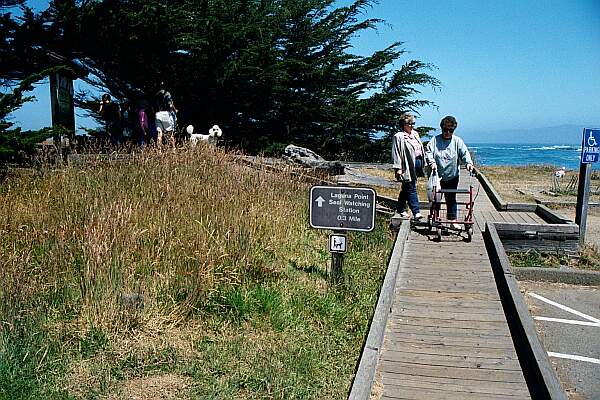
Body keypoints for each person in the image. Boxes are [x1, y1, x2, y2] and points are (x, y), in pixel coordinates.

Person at [425, 115, 474, 230]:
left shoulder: (457, 141)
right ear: (441, 129)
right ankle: (436, 218)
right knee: (436, 198)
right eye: (445, 130)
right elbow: (428, 152)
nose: (447, 132)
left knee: (451, 198)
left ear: (453, 130)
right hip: (436, 175)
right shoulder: (435, 140)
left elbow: (464, 153)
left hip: (452, 175)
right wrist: (431, 162)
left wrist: (468, 163)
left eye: (450, 130)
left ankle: (452, 220)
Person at [392, 113, 426, 221]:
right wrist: (398, 168)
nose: (411, 125)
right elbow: (396, 153)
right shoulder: (398, 136)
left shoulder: (415, 134)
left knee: (406, 188)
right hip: (406, 166)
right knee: (411, 187)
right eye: (409, 123)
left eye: (413, 123)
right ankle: (416, 212)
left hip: (417, 164)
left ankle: (400, 208)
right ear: (403, 124)